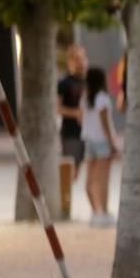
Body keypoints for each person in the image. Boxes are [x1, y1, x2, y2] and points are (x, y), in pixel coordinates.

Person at [80, 67, 119, 227]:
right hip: (102, 140)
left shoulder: (85, 98)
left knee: (90, 179)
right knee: (102, 180)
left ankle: (96, 211)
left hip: (89, 139)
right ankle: (102, 211)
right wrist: (113, 143)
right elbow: (105, 123)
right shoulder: (102, 98)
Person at [58, 44, 88, 180]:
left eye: (82, 58)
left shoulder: (89, 82)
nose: (81, 62)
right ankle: (65, 199)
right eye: (77, 59)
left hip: (88, 132)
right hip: (71, 133)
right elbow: (58, 108)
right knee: (70, 172)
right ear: (70, 61)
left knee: (83, 171)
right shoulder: (64, 83)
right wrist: (75, 113)